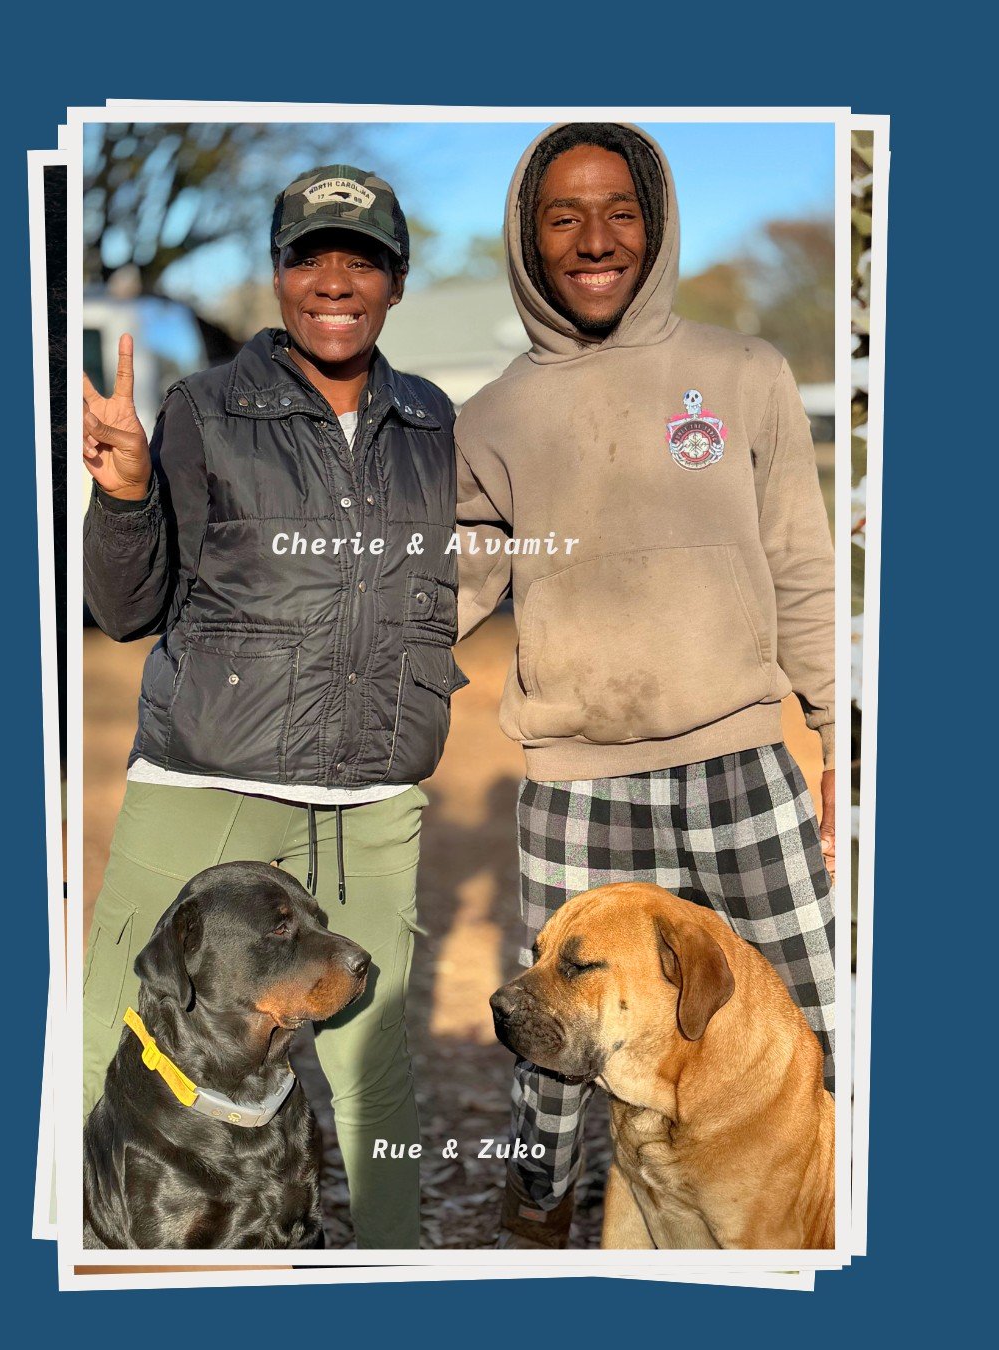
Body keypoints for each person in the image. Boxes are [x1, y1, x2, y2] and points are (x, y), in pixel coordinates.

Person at [455, 123, 836, 1249]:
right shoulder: (492, 418)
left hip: (740, 760)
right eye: (562, 216)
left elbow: (802, 562)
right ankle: (542, 1215)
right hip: (579, 778)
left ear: (656, 223)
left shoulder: (746, 375)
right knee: (554, 1042)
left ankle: (844, 1215)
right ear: (530, 239)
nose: (594, 238)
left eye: (618, 209)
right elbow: (451, 592)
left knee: (813, 1007)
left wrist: (840, 725)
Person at [81, 163, 467, 1250]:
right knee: (113, 1038)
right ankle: (75, 1264)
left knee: (373, 1074)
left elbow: (450, 577)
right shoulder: (202, 409)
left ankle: (389, 1276)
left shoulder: (435, 420)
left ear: (395, 279)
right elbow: (129, 606)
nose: (334, 280)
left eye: (363, 259)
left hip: (374, 798)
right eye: (311, 256)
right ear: (280, 274)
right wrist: (121, 496)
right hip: (206, 782)